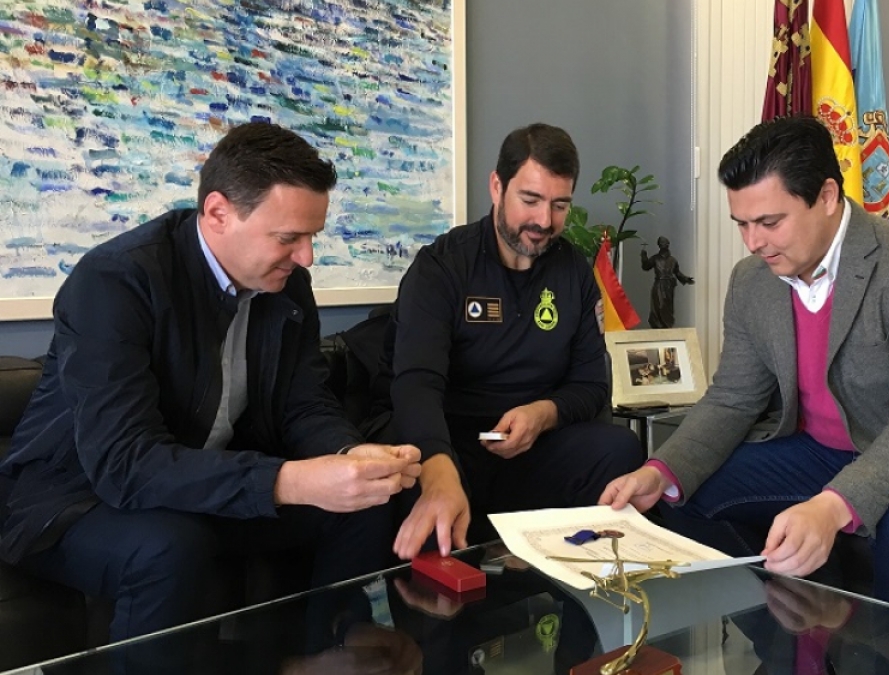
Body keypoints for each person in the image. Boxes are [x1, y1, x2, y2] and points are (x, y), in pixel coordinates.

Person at [601, 115, 889, 619]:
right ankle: (799, 630)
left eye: (770, 222)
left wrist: (832, 505)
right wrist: (659, 470)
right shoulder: (751, 281)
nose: (753, 242)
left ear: (828, 196)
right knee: (684, 492)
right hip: (823, 451)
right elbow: (732, 399)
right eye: (742, 224)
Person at [0, 122, 421, 643]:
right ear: (219, 212)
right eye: (289, 238)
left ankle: (328, 655)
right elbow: (125, 463)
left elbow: (304, 403)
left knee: (364, 506)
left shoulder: (288, 286)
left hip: (197, 486)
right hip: (74, 499)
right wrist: (290, 480)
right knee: (169, 546)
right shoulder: (116, 280)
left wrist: (348, 456)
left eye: (312, 237)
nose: (307, 257)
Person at [386, 122, 641, 560]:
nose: (544, 221)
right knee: (413, 481)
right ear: (497, 187)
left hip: (534, 448)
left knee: (620, 448)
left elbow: (591, 386)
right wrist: (439, 473)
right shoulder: (442, 267)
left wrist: (541, 415)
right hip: (452, 447)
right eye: (531, 200)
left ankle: (584, 585)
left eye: (560, 205)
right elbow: (415, 385)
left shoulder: (574, 273)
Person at [640, 235, 694, 328]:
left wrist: (686, 279)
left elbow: (677, 273)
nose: (662, 244)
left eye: (664, 242)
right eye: (660, 243)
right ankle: (657, 324)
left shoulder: (673, 260)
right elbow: (646, 267)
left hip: (668, 286)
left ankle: (667, 325)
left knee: (667, 306)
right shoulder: (655, 258)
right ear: (659, 245)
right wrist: (644, 256)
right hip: (659, 284)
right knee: (658, 305)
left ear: (668, 244)